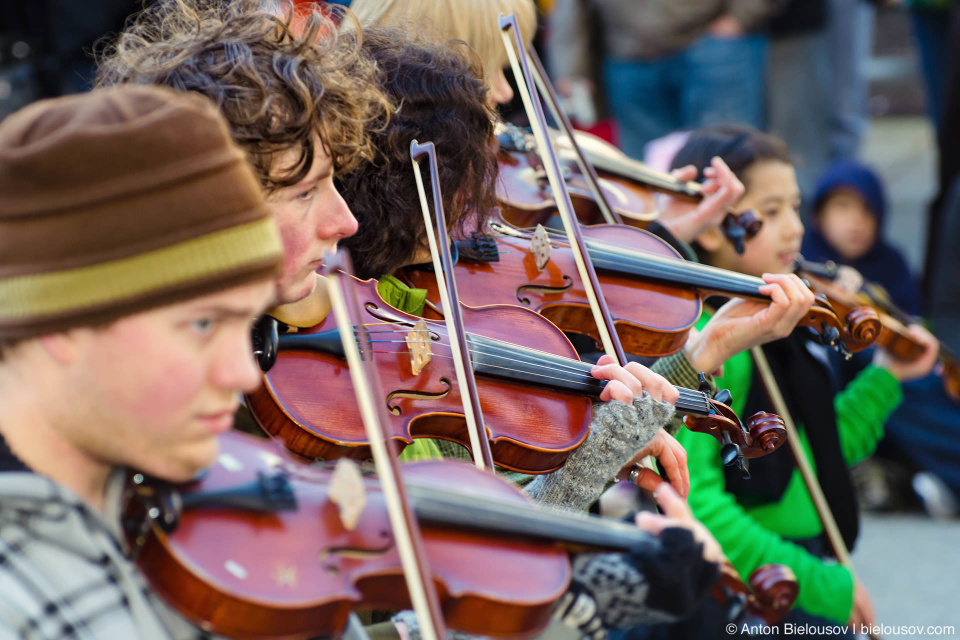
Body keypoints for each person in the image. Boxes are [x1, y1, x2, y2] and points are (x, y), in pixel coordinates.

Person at [0, 84, 282, 639]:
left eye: (246, 321)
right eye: (204, 324)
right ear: (62, 325)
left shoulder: (177, 487)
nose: (245, 374)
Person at [647, 125, 940, 638]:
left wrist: (887, 377)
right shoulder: (709, 344)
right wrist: (820, 588)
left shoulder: (787, 331)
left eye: (796, 208)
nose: (795, 229)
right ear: (715, 226)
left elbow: (818, 452)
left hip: (802, 563)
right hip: (753, 581)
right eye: (773, 210)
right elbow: (701, 506)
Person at [802, 158, 921, 316]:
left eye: (867, 209)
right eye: (842, 205)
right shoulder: (802, 261)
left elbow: (912, 316)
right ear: (819, 215)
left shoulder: (894, 265)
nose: (856, 219)